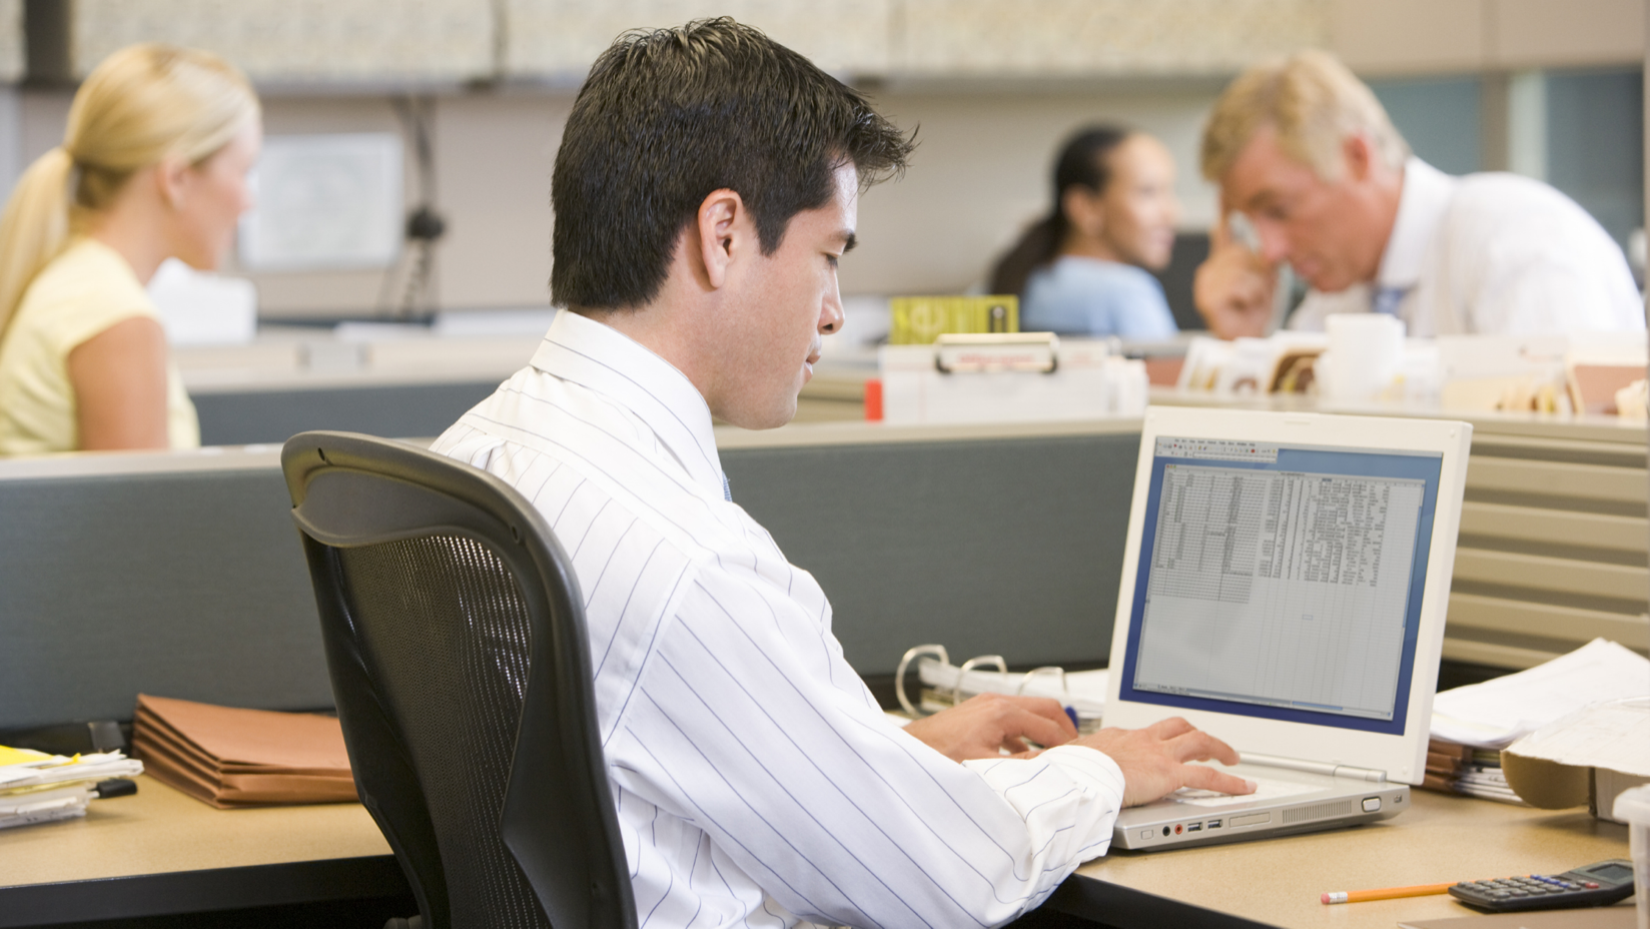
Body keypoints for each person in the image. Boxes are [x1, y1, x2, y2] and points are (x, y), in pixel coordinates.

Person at [434, 19, 1251, 928]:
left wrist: (885, 752)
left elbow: (635, 754)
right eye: (829, 255)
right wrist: (1102, 767)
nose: (832, 314)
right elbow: (947, 878)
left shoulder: (480, 450)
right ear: (724, 234)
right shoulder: (687, 561)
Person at [1193, 50, 1644, 339]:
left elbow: (1562, 460)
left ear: (1357, 156)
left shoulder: (1513, 240)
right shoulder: (1334, 303)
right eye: (1252, 225)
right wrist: (1246, 347)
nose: (1269, 251)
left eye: (1279, 210)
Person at [0, 44, 260, 456]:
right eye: (244, 172)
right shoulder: (116, 321)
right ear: (175, 178)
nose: (249, 201)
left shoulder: (78, 281)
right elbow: (139, 519)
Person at [989, 126, 1181, 340]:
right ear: (1084, 207)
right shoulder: (1128, 293)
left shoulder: (1012, 279)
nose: (1171, 213)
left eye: (1169, 191)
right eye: (1148, 192)